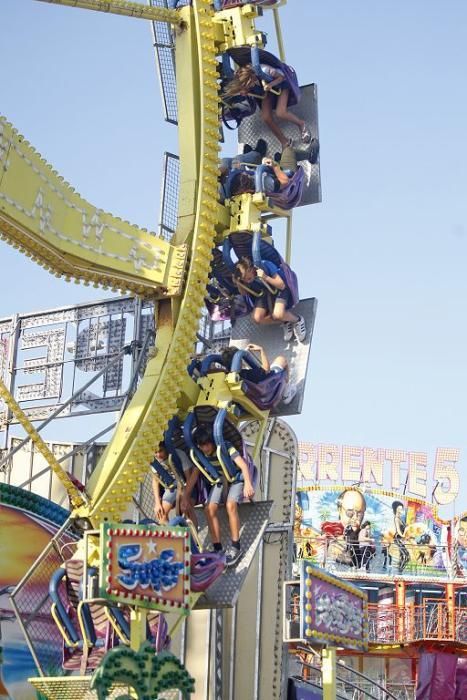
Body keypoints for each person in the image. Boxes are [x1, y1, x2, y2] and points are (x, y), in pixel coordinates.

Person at [181, 428, 255, 567]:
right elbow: (193, 477)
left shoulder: (226, 447)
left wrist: (248, 484)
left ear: (212, 442)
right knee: (209, 509)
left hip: (236, 479)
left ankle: (235, 546)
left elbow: (243, 466)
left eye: (207, 444)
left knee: (230, 505)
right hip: (220, 481)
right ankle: (217, 548)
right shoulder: (201, 455)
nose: (205, 448)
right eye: (201, 445)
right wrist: (185, 496)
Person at [223, 63, 311, 148]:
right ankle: (285, 141)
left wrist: (270, 85)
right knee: (266, 117)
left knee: (280, 112)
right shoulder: (249, 81)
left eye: (248, 85)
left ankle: (301, 124)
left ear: (251, 78)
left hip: (282, 84)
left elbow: (281, 77)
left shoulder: (265, 70)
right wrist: (246, 92)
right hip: (268, 90)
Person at [233, 256, 306, 342]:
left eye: (246, 277)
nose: (246, 280)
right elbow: (244, 294)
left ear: (250, 269)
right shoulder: (246, 279)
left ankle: (297, 320)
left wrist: (265, 277)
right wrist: (239, 284)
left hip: (280, 289)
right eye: (243, 279)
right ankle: (285, 321)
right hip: (265, 293)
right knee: (257, 318)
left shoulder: (265, 265)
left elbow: (281, 285)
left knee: (278, 314)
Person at [219, 343, 297, 405]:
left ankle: (285, 390)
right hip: (269, 392)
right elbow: (266, 370)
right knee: (281, 359)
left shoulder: (231, 379)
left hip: (255, 400)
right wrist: (261, 351)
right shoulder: (247, 375)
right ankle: (286, 393)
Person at [151, 441, 198, 526]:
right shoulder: (156, 462)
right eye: (155, 452)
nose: (158, 455)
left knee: (185, 508)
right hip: (171, 489)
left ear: (166, 448)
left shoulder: (178, 454)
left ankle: (193, 537)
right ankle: (169, 537)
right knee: (161, 514)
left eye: (160, 451)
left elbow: (188, 478)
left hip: (185, 486)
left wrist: (185, 497)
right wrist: (157, 503)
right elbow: (155, 481)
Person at [392, 500, 409, 573]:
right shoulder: (396, 519)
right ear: (396, 509)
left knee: (405, 555)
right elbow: (398, 530)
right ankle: (400, 570)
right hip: (398, 538)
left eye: (401, 509)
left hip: (400, 539)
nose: (401, 510)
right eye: (399, 509)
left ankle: (400, 570)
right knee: (405, 555)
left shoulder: (400, 519)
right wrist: (403, 536)